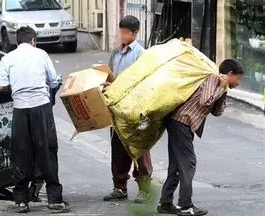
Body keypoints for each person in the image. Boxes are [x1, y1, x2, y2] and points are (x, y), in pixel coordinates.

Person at [0, 26, 69, 214]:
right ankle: (55, 199)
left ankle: (21, 200)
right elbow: (53, 80)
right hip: (41, 107)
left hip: (20, 109)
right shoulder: (41, 54)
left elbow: (0, 84)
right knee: (47, 150)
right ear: (33, 40)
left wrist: (16, 87)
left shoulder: (8, 58)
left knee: (21, 152)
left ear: (18, 41)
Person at [157, 59, 244, 216]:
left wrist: (223, 91)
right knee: (188, 163)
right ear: (230, 74)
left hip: (182, 124)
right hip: (181, 121)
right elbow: (205, 101)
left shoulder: (221, 86)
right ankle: (185, 205)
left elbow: (217, 112)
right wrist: (221, 88)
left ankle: (165, 203)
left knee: (177, 165)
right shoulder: (212, 78)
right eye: (237, 79)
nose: (238, 83)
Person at [103, 15, 153, 203]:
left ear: (135, 33)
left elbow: (142, 81)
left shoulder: (141, 54)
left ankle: (145, 189)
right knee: (118, 149)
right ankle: (120, 186)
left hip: (135, 108)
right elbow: (110, 75)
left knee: (139, 149)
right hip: (116, 108)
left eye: (126, 32)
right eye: (121, 32)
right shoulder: (116, 53)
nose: (122, 36)